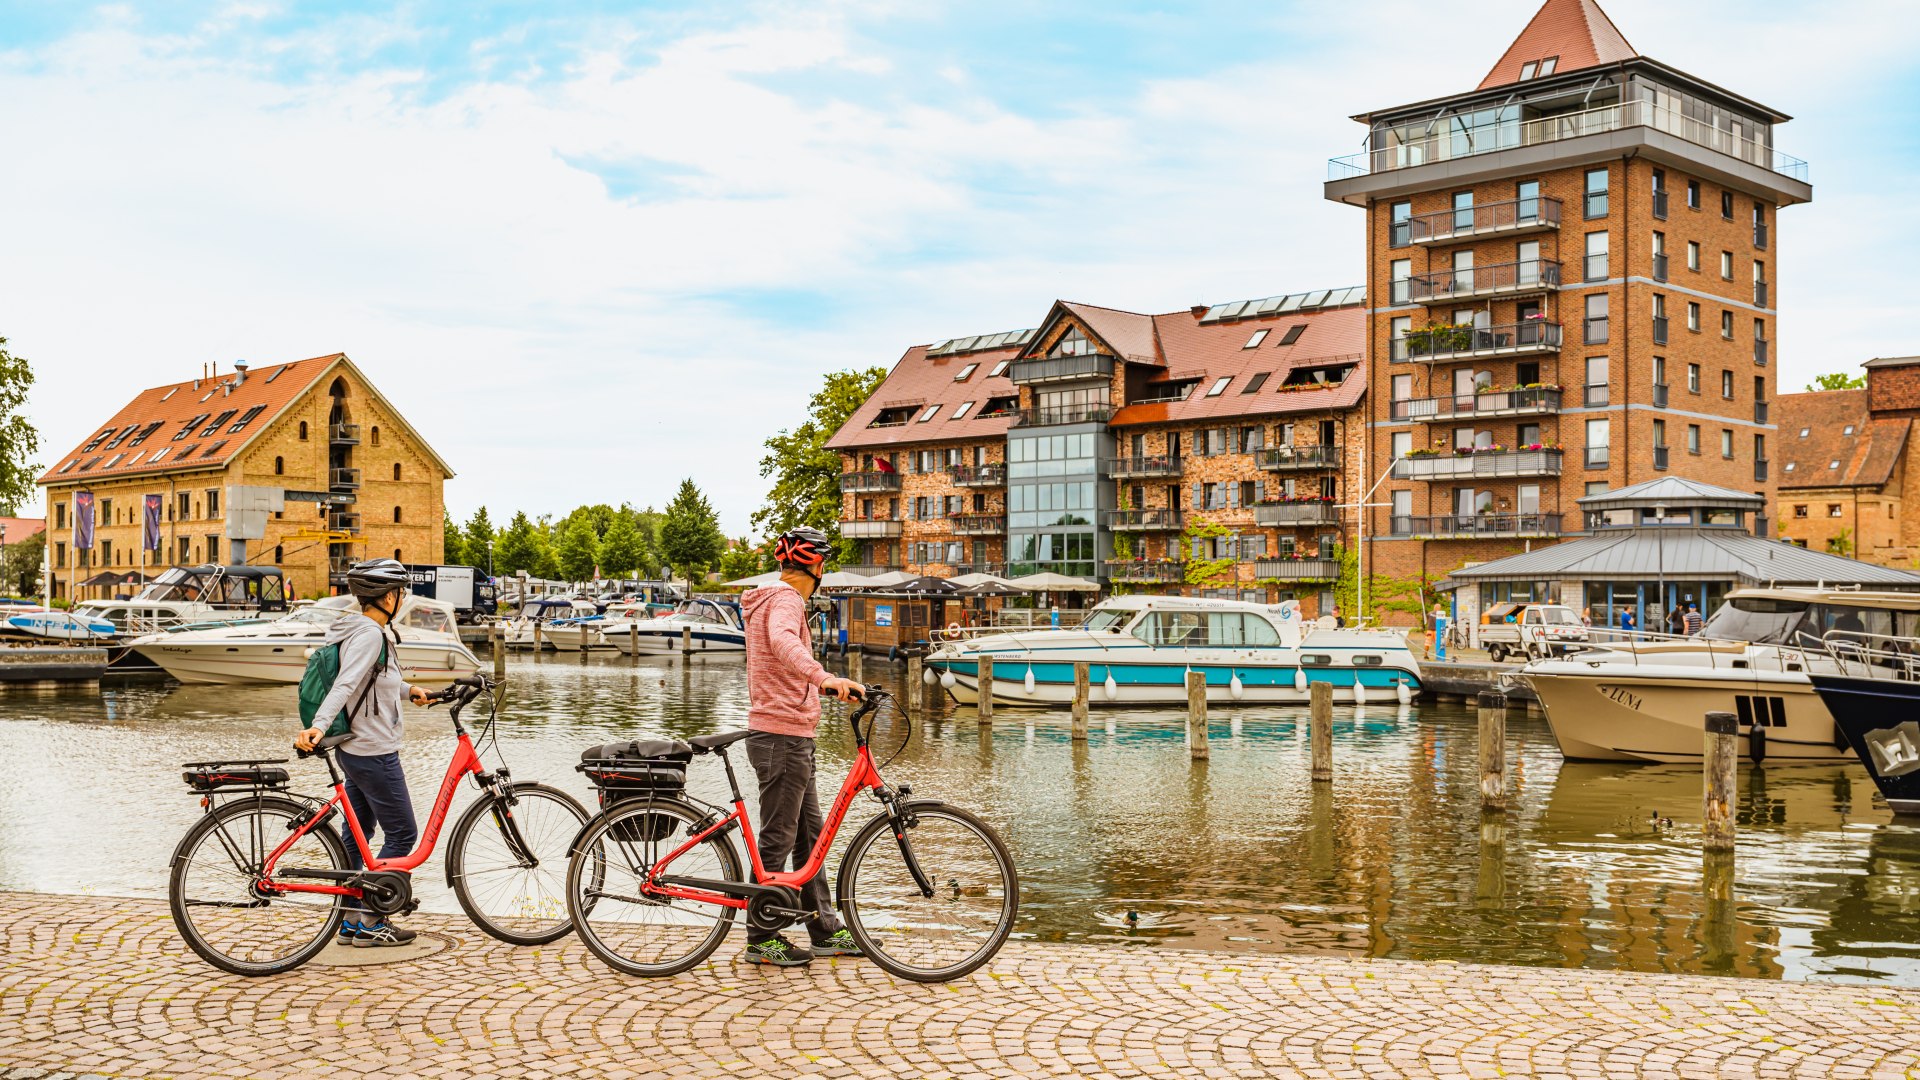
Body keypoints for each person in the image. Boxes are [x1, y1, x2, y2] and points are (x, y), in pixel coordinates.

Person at [738, 527, 868, 967]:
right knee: (779, 837)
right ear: (816, 566)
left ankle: (824, 930)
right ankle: (762, 936)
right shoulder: (786, 601)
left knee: (810, 838)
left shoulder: (768, 597)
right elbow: (783, 641)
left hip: (792, 732)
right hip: (781, 735)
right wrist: (824, 678)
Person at [294, 559, 433, 948]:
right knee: (403, 834)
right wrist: (319, 726)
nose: (402, 598)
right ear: (388, 596)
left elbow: (376, 680)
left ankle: (350, 921)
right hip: (373, 751)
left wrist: (409, 692)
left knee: (357, 835)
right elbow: (346, 683)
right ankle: (374, 920)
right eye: (400, 592)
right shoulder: (370, 634)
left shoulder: (355, 628)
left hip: (355, 749)